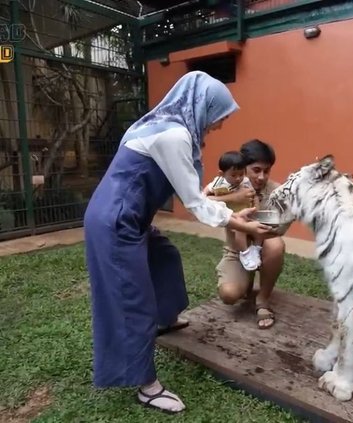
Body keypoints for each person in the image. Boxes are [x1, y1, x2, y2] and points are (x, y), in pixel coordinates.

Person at [83, 71, 273, 414]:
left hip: (129, 218)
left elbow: (193, 193)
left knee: (165, 257)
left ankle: (164, 319)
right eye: (219, 115)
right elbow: (196, 202)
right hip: (115, 222)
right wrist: (237, 220)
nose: (219, 124)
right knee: (131, 297)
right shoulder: (173, 135)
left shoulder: (160, 124)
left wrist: (230, 213)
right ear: (203, 106)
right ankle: (146, 386)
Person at [213, 139, 286, 329]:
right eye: (256, 170)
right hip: (236, 251)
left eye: (266, 170)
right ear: (243, 168)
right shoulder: (227, 184)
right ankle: (245, 282)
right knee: (229, 295)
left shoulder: (277, 191)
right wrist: (233, 198)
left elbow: (277, 224)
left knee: (276, 244)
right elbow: (201, 204)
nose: (262, 176)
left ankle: (263, 299)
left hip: (263, 247)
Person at [203, 150, 263, 271]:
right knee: (240, 229)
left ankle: (255, 249)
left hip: (248, 212)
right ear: (221, 174)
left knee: (260, 228)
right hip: (232, 216)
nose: (238, 178)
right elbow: (202, 198)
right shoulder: (217, 183)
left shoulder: (245, 181)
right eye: (234, 175)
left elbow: (254, 195)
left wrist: (256, 210)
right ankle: (245, 253)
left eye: (241, 174)